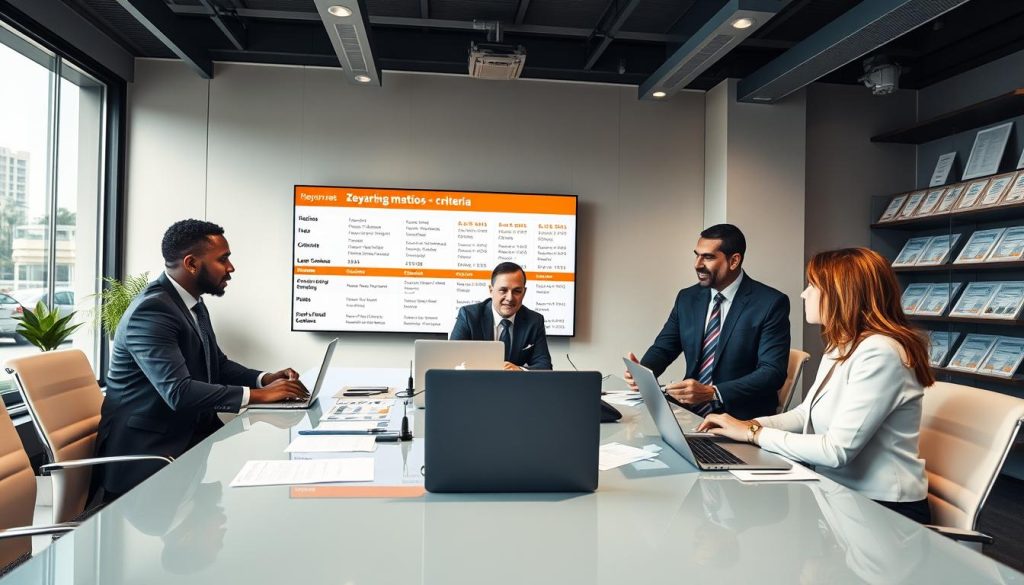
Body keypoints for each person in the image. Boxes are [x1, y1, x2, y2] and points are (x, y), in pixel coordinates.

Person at [698, 247, 933, 523]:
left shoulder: (881, 352)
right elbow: (803, 414)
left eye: (812, 286)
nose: (803, 294)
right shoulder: (841, 344)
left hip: (884, 510)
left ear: (842, 294)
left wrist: (752, 433)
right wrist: (745, 425)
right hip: (840, 497)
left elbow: (836, 451)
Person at [95, 219, 309, 500]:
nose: (231, 268)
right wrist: (258, 395)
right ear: (192, 264)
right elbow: (179, 392)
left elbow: (216, 364)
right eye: (223, 259)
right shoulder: (151, 312)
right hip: (148, 460)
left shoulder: (191, 303)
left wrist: (265, 379)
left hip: (189, 444)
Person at [625, 224, 790, 419]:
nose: (697, 264)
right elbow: (664, 347)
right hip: (688, 412)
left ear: (734, 260)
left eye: (708, 257)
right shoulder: (687, 298)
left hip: (740, 418)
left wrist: (713, 392)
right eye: (697, 255)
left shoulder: (770, 303)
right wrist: (643, 372)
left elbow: (772, 373)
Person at [449, 262, 552, 370]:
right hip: (476, 384)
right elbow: (451, 360)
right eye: (503, 290)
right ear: (491, 290)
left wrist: (520, 370)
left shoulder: (534, 321)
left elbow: (545, 367)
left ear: (524, 292)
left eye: (517, 291)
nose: (510, 298)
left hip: (515, 386)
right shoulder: (469, 316)